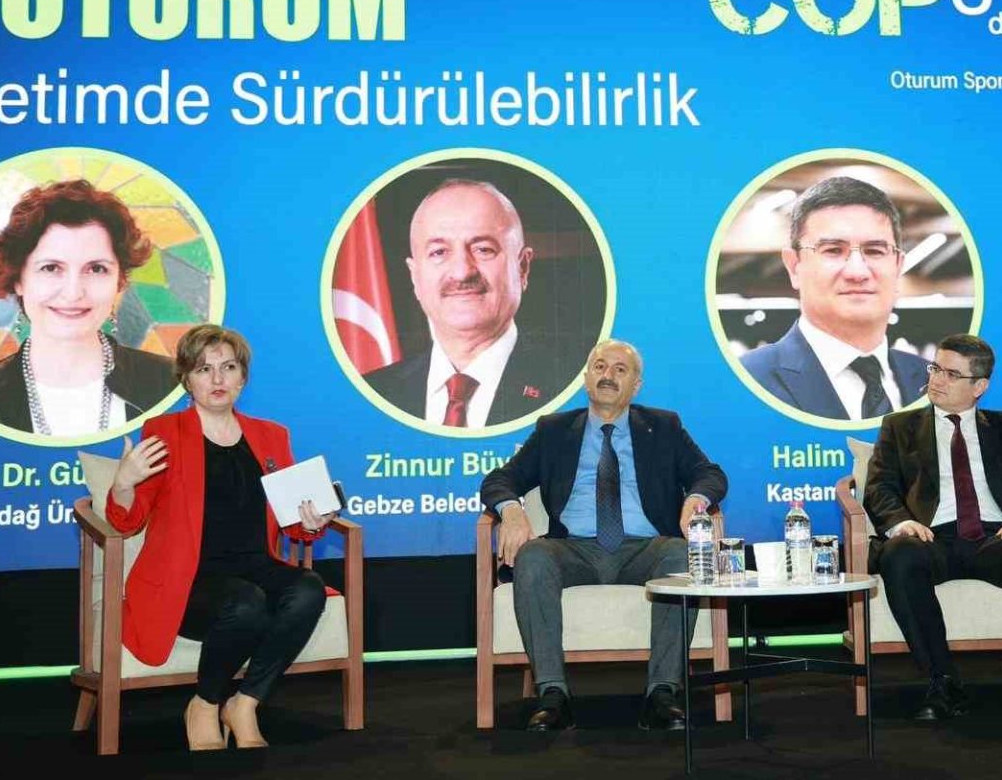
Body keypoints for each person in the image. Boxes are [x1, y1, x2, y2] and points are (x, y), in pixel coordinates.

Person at [105, 324, 336, 750]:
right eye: (203, 369)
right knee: (246, 602)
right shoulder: (164, 432)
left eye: (228, 367)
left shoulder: (271, 436)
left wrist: (309, 521)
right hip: (188, 579)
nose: (217, 379)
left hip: (255, 565)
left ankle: (244, 703)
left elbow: (291, 522)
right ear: (186, 380)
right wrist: (124, 483)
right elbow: (126, 521)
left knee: (308, 588)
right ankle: (205, 704)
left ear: (242, 377)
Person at [480, 339, 728, 731]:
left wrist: (695, 501)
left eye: (619, 369)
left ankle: (662, 694)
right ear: (586, 378)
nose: (607, 376)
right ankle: (553, 695)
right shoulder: (554, 430)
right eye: (599, 367)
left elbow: (710, 474)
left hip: (645, 549)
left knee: (681, 555)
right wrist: (511, 510)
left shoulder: (663, 427)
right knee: (533, 555)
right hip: (572, 549)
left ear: (636, 386)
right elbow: (500, 479)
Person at [864, 333, 1002, 720]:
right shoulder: (900, 426)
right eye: (935, 368)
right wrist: (902, 523)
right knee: (899, 555)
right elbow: (878, 487)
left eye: (951, 374)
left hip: (996, 538)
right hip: (930, 539)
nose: (936, 380)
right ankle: (942, 682)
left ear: (980, 387)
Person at [0, 179, 175, 436]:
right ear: (18, 279)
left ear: (120, 281)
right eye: (51, 268)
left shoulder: (176, 384)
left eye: (96, 269)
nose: (73, 292)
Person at [364, 179, 575, 428]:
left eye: (483, 249)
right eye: (439, 252)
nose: (462, 272)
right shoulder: (372, 394)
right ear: (415, 276)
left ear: (522, 267)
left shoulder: (575, 389)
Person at [739, 176, 930, 421]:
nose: (857, 272)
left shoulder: (933, 381)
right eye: (833, 250)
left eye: (875, 251)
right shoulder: (748, 381)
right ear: (794, 266)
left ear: (898, 265)